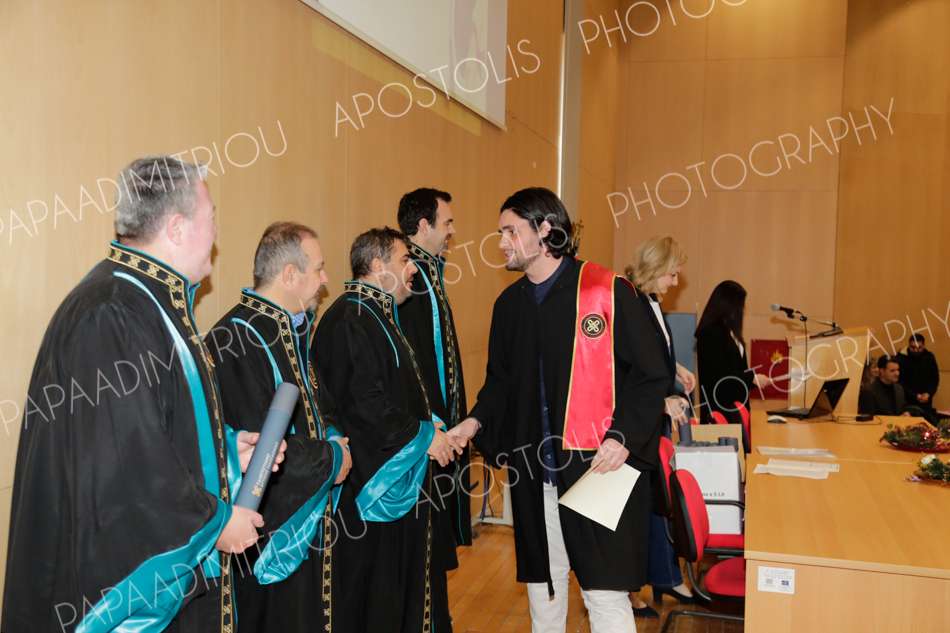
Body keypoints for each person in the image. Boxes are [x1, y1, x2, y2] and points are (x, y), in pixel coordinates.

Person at [2, 156, 283, 633]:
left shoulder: (144, 301)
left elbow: (154, 429)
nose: (216, 236)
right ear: (176, 228)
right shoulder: (111, 313)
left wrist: (225, 454)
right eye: (211, 219)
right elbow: (126, 473)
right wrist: (217, 523)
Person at [450, 187, 669, 633]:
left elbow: (651, 375)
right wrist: (474, 422)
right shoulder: (509, 306)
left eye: (511, 231)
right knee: (544, 591)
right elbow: (500, 383)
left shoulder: (606, 292)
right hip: (536, 474)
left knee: (604, 594)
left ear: (545, 230)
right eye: (501, 233)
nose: (502, 243)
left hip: (599, 468)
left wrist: (623, 437)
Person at [314, 228, 463, 633]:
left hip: (397, 480)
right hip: (370, 491)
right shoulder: (350, 319)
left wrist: (430, 424)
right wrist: (424, 436)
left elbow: (396, 392)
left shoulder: (376, 313)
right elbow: (364, 405)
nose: (413, 268)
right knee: (374, 595)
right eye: (404, 260)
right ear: (378, 266)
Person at [206, 222, 352, 632]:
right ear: (289, 274)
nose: (325, 280)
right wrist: (333, 457)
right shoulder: (235, 339)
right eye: (318, 269)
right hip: (269, 539)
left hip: (308, 521)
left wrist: (334, 437)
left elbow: (320, 404)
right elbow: (262, 451)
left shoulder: (290, 328)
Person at [396, 188, 472, 554]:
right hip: (426, 429)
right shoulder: (410, 276)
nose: (452, 231)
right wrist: (433, 423)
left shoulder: (429, 271)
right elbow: (416, 361)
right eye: (447, 223)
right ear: (424, 225)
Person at [625, 236, 695, 617]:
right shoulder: (632, 304)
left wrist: (677, 370)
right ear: (656, 269)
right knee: (635, 512)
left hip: (654, 420)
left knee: (653, 506)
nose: (676, 280)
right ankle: (627, 590)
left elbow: (656, 356)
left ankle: (649, 580)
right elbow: (629, 370)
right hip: (639, 422)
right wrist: (661, 401)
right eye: (672, 273)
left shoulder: (651, 303)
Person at [695, 280, 771, 424]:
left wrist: (754, 380)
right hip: (720, 411)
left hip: (735, 409)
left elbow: (737, 371)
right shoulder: (710, 333)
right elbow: (718, 376)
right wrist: (751, 378)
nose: (742, 309)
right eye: (740, 305)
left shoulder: (731, 331)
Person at [897, 334, 940, 413]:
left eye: (919, 347)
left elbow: (934, 379)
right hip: (907, 400)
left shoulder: (929, 357)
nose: (916, 350)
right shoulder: (901, 358)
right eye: (913, 347)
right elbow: (900, 382)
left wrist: (929, 393)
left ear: (924, 346)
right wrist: (915, 396)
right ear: (909, 345)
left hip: (926, 400)